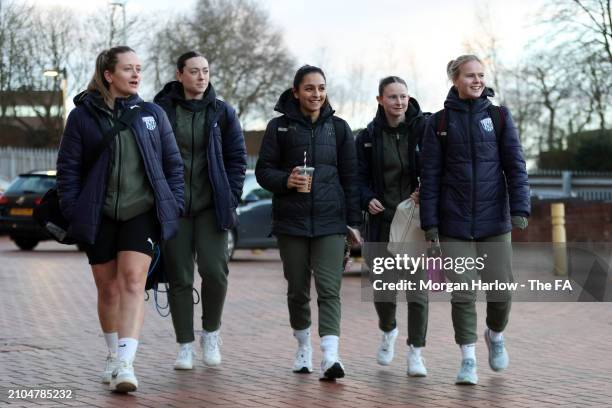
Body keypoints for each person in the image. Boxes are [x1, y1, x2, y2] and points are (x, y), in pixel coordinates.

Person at [56, 46, 184, 392]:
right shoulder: (82, 117)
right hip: (98, 216)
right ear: (108, 75)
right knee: (108, 288)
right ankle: (112, 355)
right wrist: (73, 209)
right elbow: (67, 170)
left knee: (131, 282)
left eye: (139, 68)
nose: (136, 75)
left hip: (140, 213)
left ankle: (127, 364)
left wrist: (174, 205)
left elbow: (173, 166)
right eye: (128, 69)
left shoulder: (153, 114)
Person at [419, 55, 530, 385]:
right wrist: (430, 224)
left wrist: (520, 208)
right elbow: (430, 176)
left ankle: (495, 335)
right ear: (455, 78)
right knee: (463, 294)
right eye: (470, 75)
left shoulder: (498, 117)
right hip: (453, 223)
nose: (477, 80)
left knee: (501, 290)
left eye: (481, 75)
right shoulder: (438, 123)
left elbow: (515, 165)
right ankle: (468, 359)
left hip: (494, 221)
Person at [255, 65, 361, 380]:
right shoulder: (279, 128)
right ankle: (303, 347)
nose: (316, 94)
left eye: (321, 88)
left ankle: (331, 357)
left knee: (329, 289)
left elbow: (351, 178)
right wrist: (286, 179)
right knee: (298, 290)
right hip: (292, 223)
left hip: (331, 223)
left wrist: (353, 222)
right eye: (310, 88)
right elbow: (263, 172)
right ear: (296, 91)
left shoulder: (340, 129)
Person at [154, 51, 246, 370]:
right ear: (180, 74)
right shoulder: (160, 111)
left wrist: (230, 196)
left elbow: (237, 160)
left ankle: (211, 333)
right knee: (179, 277)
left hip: (212, 207)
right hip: (174, 208)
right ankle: (184, 345)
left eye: (205, 71)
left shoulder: (223, 112)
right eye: (194, 71)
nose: (201, 77)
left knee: (215, 271)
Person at [355, 76, 429, 376]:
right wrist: (366, 198)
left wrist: (427, 190)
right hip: (381, 221)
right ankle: (388, 330)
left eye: (404, 96)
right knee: (384, 291)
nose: (399, 102)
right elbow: (356, 178)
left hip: (414, 222)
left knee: (417, 292)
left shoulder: (425, 130)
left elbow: (437, 167)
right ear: (380, 100)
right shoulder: (367, 137)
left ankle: (416, 353)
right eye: (393, 97)